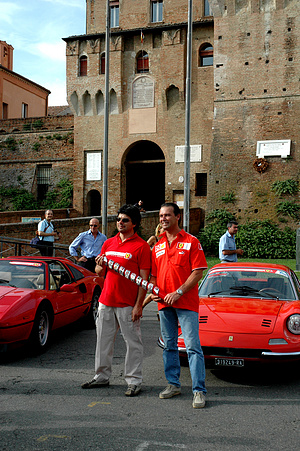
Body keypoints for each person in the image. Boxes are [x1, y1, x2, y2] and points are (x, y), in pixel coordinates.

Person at [81, 204, 151, 397]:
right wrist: (98, 266)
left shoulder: (142, 246)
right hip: (106, 301)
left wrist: (139, 305)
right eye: (119, 219)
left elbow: (143, 280)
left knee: (133, 343)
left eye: (125, 220)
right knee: (103, 341)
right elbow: (99, 272)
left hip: (128, 304)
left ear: (134, 223)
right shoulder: (108, 243)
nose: (120, 222)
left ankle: (134, 381)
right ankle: (101, 376)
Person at [149, 202, 207, 409]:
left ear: (177, 217)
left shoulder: (191, 241)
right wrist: (155, 291)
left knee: (192, 347)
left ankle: (198, 390)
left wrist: (179, 292)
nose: (163, 219)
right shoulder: (157, 245)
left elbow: (198, 272)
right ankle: (173, 384)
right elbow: (154, 276)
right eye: (161, 215)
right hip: (164, 305)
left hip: (186, 303)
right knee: (169, 346)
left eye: (167, 215)